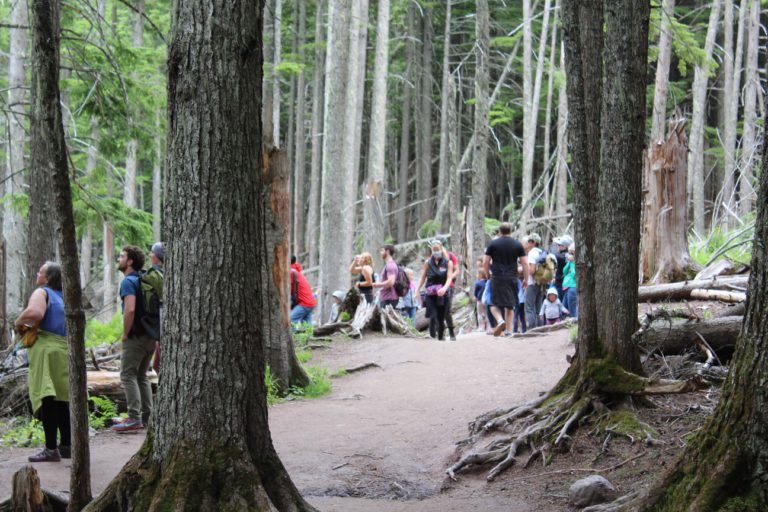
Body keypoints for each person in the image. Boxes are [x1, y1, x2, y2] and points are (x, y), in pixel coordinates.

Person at [16, 262, 70, 462]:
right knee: (63, 398)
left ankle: (50, 449)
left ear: (47, 278)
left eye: (40, 272)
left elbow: (35, 314)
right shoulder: (65, 296)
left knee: (47, 397)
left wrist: (18, 321)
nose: (37, 274)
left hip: (45, 350)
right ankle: (67, 446)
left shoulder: (42, 292)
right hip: (64, 349)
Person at [113, 246, 156, 432]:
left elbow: (130, 309)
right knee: (141, 376)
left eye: (122, 256)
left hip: (136, 336)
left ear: (130, 261)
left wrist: (126, 332)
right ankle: (147, 417)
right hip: (150, 335)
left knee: (127, 375)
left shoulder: (128, 282)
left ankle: (133, 418)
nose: (119, 259)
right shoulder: (144, 279)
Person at [483, 223, 528, 337]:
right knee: (510, 305)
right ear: (511, 231)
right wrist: (526, 279)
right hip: (512, 277)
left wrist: (487, 274)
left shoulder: (493, 244)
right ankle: (509, 331)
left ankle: (500, 320)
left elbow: (485, 262)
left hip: (497, 277)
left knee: (493, 303)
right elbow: (525, 263)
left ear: (500, 231)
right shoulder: (517, 244)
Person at [415, 240, 454, 340]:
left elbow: (449, 278)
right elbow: (423, 277)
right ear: (431, 250)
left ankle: (442, 337)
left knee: (441, 318)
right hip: (430, 294)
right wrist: (417, 290)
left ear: (441, 249)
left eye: (437, 249)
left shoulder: (448, 263)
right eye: (434, 250)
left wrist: (444, 288)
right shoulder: (428, 263)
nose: (436, 252)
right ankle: (432, 337)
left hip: (442, 294)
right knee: (433, 316)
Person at [148, 242, 164, 375]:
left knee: (160, 355)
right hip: (158, 321)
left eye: (152, 253)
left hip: (160, 320)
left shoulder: (156, 274)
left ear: (158, 256)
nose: (150, 255)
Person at [523, 233, 545, 329]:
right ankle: (540, 329)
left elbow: (532, 270)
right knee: (538, 308)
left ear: (533, 242)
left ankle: (532, 329)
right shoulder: (542, 251)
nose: (527, 243)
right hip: (541, 283)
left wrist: (525, 275)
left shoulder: (532, 253)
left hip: (532, 283)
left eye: (529, 241)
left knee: (529, 308)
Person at [372, 244, 400, 309]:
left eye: (382, 251)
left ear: (387, 251)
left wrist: (378, 285)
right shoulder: (388, 265)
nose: (380, 253)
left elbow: (391, 282)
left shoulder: (391, 265)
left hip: (389, 299)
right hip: (386, 298)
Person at [443, 243, 460, 341]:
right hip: (437, 287)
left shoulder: (451, 256)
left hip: (449, 286)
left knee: (447, 310)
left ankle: (451, 333)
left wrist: (449, 278)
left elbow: (457, 270)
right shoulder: (433, 256)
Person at [552, 235, 572, 300]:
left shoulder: (564, 255)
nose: (558, 246)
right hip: (562, 282)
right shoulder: (566, 255)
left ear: (564, 246)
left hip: (561, 283)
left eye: (559, 245)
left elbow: (557, 257)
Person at [562, 243, 578, 318]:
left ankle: (574, 322)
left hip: (572, 287)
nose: (570, 254)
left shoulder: (576, 263)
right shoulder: (570, 262)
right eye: (569, 253)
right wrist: (570, 262)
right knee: (563, 308)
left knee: (572, 309)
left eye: (572, 253)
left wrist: (572, 263)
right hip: (567, 287)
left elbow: (574, 274)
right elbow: (564, 271)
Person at [473, 260, 488, 332]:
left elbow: (475, 292)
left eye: (477, 274)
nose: (476, 275)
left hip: (479, 300)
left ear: (481, 275)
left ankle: (481, 327)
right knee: (486, 313)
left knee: (480, 313)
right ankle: (488, 327)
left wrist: (475, 297)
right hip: (486, 300)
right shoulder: (487, 282)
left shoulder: (477, 283)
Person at [513, 264, 527, 334]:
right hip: (522, 301)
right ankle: (524, 331)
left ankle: (515, 331)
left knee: (515, 316)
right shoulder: (524, 281)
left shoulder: (516, 281)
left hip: (516, 300)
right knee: (522, 316)